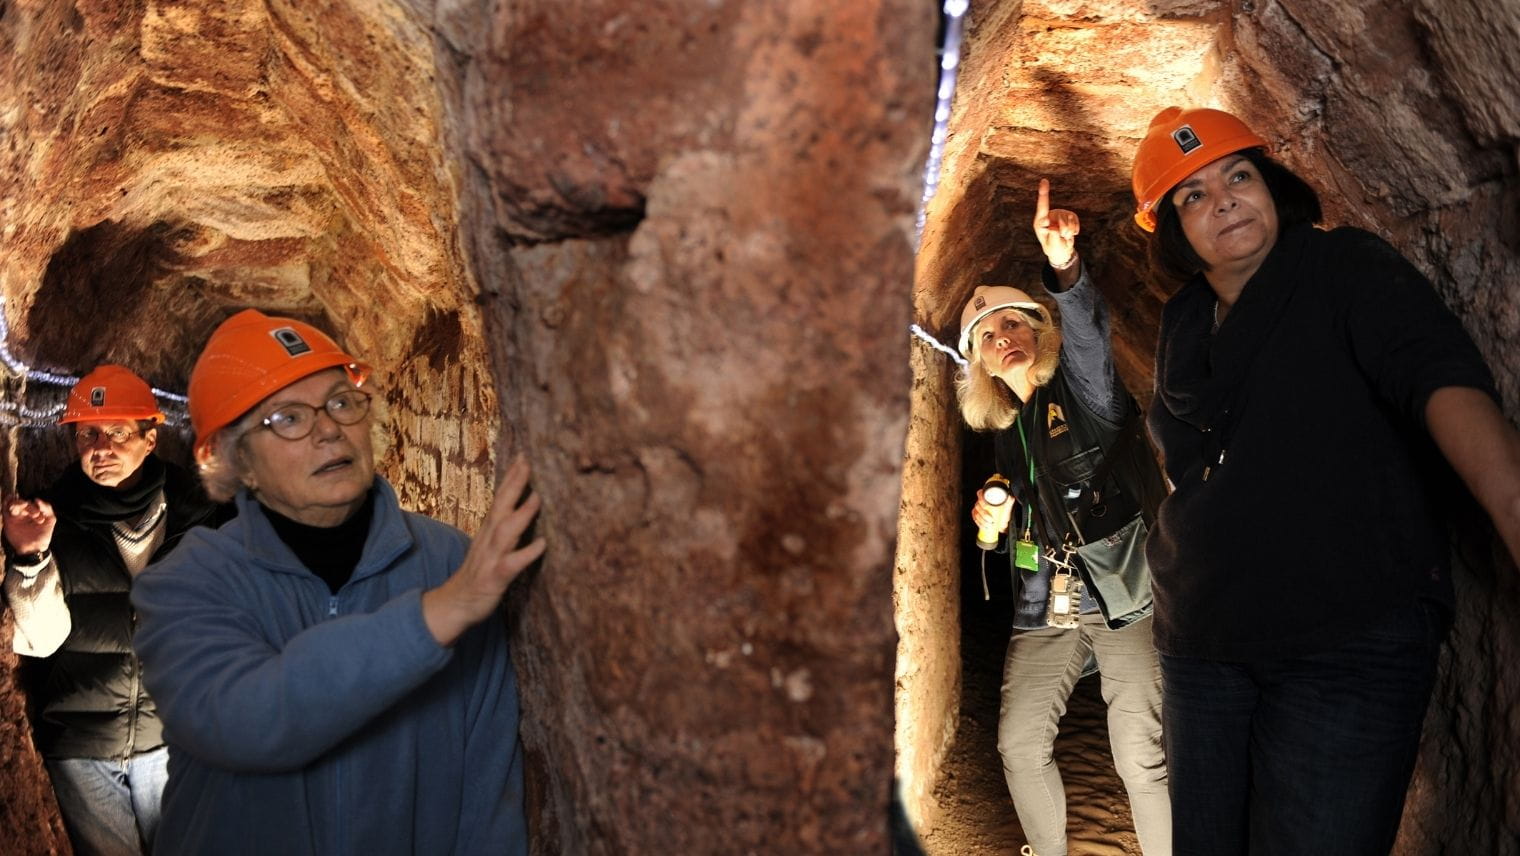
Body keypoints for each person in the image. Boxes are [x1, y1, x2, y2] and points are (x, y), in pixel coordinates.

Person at [1130, 106, 1520, 854]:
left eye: (1237, 175)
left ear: (1272, 184)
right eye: (1194, 196)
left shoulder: (1344, 268)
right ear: (1176, 231)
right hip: (1204, 644)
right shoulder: (1183, 320)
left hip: (1344, 636)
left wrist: (1509, 502)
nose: (1225, 200)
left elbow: (1437, 380)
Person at [129, 309, 546, 854]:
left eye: (341, 402)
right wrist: (437, 615)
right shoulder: (186, 584)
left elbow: (488, 786)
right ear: (239, 462)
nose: (328, 429)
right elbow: (247, 718)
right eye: (288, 419)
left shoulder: (450, 562)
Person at [957, 180, 1172, 856]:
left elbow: (1087, 334)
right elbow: (1003, 529)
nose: (1004, 338)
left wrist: (1064, 271)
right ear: (981, 364)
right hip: (1045, 603)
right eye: (989, 336)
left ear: (1036, 329)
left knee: (1141, 750)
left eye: (1014, 323)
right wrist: (990, 520)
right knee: (1018, 746)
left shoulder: (1083, 390)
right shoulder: (1007, 431)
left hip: (1125, 591)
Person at [2, 364, 226, 856]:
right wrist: (31, 557)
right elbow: (41, 640)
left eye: (118, 432)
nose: (100, 448)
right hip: (84, 750)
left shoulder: (202, 520)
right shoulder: (55, 521)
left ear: (150, 439)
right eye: (87, 434)